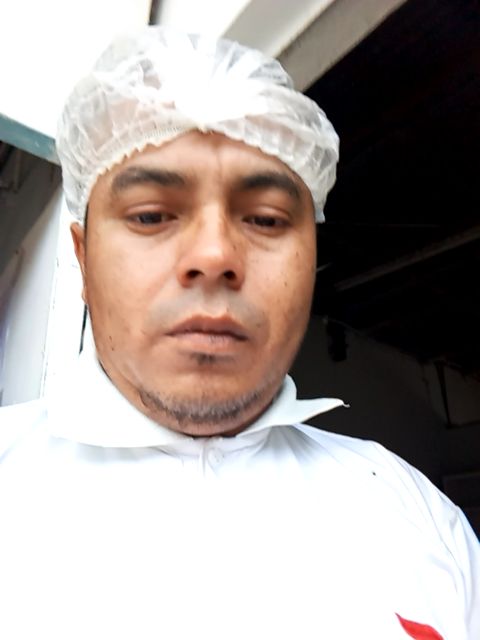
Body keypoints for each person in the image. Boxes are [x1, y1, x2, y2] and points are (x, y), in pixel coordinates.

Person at [0, 26, 478, 640]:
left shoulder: (420, 521)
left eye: (266, 219)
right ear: (84, 259)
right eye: (151, 214)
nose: (215, 254)